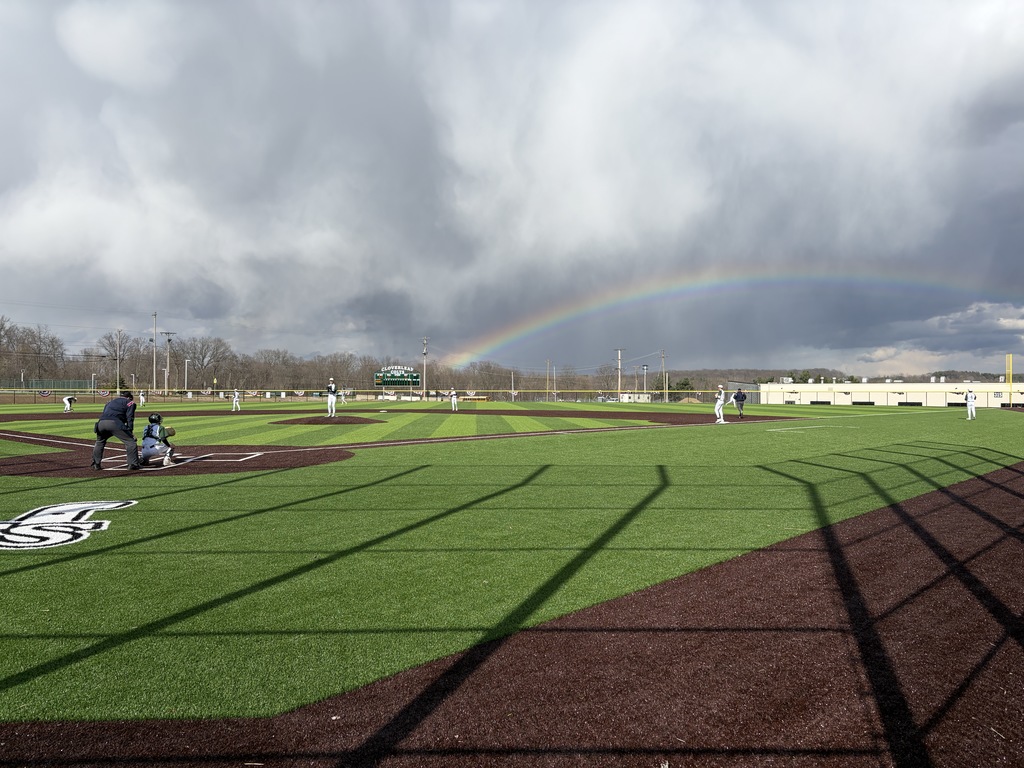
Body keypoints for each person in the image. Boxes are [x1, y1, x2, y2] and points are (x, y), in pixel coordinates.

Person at [91, 391, 140, 470]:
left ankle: (96, 463)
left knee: (100, 442)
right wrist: (130, 431)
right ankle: (133, 464)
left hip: (101, 423)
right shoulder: (130, 402)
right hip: (114, 423)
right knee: (131, 442)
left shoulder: (110, 402)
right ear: (129, 397)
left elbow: (104, 413)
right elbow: (130, 417)